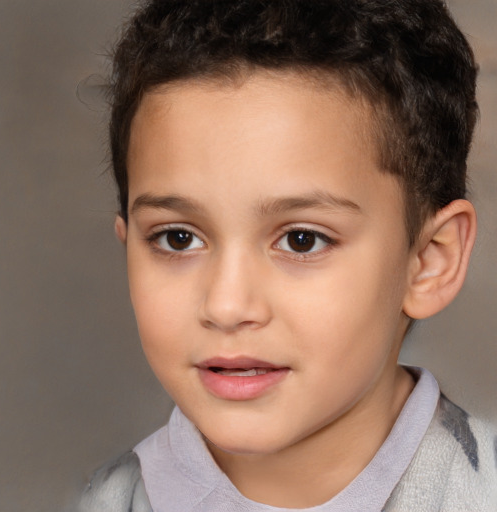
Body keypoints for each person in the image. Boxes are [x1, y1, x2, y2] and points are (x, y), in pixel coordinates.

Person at [78, 0, 497, 510]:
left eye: (302, 240)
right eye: (178, 238)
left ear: (430, 261)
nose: (227, 306)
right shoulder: (108, 499)